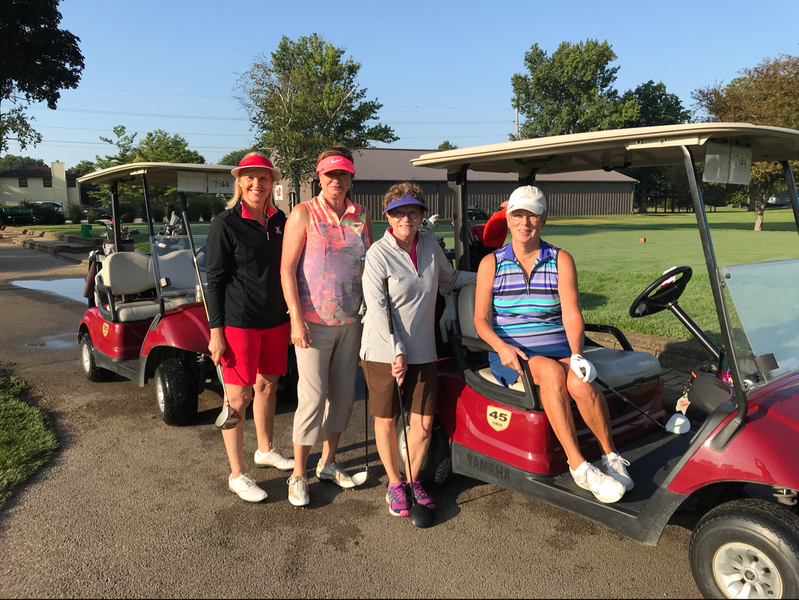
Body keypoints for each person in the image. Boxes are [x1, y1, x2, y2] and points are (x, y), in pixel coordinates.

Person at [473, 185, 633, 504]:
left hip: (558, 348)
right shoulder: (491, 263)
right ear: (508, 219)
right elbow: (481, 320)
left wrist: (577, 354)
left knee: (582, 383)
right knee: (550, 373)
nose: (525, 223)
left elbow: (571, 313)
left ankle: (610, 455)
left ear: (543, 220)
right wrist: (500, 347)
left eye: (532, 216)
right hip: (512, 353)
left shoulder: (560, 259)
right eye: (518, 215)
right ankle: (579, 466)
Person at [361, 183, 476, 517]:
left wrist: (491, 275)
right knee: (387, 419)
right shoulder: (378, 254)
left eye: (412, 212)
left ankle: (413, 480)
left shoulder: (429, 247)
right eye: (398, 212)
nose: (406, 219)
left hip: (423, 349)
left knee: (423, 423)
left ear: (422, 215)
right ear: (388, 217)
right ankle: (395, 484)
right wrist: (396, 349)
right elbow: (377, 308)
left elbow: (450, 279)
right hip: (383, 351)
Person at [280, 146, 374, 507]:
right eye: (330, 174)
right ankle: (298, 474)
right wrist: (296, 319)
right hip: (312, 323)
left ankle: (328, 462)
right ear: (319, 177)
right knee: (313, 397)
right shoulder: (303, 213)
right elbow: (287, 270)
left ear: (351, 177)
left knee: (345, 397)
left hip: (352, 321)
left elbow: (369, 264)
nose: (337, 180)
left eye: (343, 174)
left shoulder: (361, 215)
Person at [206, 152, 294, 503]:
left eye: (263, 178)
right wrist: (216, 331)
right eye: (250, 178)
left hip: (276, 319)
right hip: (239, 322)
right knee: (238, 398)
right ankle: (237, 473)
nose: (257, 184)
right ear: (240, 182)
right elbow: (214, 280)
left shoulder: (280, 220)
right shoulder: (225, 223)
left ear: (272, 183)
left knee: (268, 386)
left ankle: (265, 450)